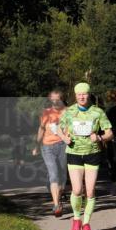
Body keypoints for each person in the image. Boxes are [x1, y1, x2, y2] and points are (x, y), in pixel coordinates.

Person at [58, 81, 113, 230]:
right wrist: (64, 138)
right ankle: (76, 219)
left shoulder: (98, 112)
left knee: (89, 192)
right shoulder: (69, 112)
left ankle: (87, 223)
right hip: (74, 153)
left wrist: (100, 137)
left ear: (89, 94)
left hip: (92, 153)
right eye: (79, 94)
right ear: (76, 95)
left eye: (85, 93)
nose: (82, 96)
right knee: (77, 190)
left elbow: (110, 133)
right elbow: (59, 129)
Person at [31, 89, 68, 217]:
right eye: (52, 99)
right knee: (53, 174)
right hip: (47, 146)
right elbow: (41, 129)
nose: (55, 101)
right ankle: (56, 205)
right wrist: (36, 145)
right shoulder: (46, 112)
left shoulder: (68, 112)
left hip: (63, 145)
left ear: (61, 99)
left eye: (57, 99)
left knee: (63, 175)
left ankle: (60, 194)